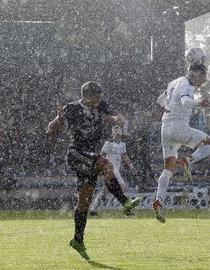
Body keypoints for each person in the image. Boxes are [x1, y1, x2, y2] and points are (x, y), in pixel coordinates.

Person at [46, 81, 140, 260]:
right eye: (97, 97)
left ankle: (77, 240)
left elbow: (119, 118)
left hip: (89, 157)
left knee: (84, 200)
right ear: (87, 96)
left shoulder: (101, 106)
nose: (100, 100)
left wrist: (114, 119)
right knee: (106, 165)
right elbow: (52, 127)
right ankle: (125, 202)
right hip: (76, 153)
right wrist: (57, 120)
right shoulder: (71, 108)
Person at [153, 63, 210, 223]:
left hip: (165, 128)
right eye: (203, 78)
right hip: (178, 127)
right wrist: (198, 103)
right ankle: (188, 161)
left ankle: (158, 200)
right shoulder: (187, 84)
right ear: (195, 73)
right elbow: (185, 102)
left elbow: (160, 101)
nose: (202, 82)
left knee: (168, 168)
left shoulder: (173, 83)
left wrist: (174, 106)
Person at [89, 125, 137, 216]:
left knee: (105, 190)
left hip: (116, 169)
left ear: (121, 132)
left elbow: (124, 156)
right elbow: (101, 155)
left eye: (119, 130)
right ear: (112, 133)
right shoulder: (108, 143)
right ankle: (126, 207)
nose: (117, 132)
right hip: (110, 169)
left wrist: (131, 165)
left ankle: (93, 209)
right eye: (115, 130)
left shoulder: (123, 144)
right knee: (122, 187)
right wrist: (101, 168)